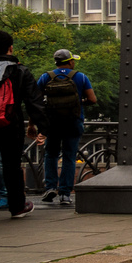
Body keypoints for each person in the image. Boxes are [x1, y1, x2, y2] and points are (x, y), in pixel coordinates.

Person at [0, 31, 45, 224]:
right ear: (11, 48)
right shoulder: (19, 70)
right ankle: (17, 207)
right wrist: (43, 128)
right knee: (12, 166)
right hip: (11, 123)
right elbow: (35, 102)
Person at [37, 49, 96, 207]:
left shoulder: (45, 77)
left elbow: (35, 100)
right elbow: (92, 99)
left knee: (51, 155)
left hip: (53, 123)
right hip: (73, 122)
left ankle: (50, 187)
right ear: (70, 62)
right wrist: (77, 103)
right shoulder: (80, 77)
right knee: (69, 157)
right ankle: (65, 194)